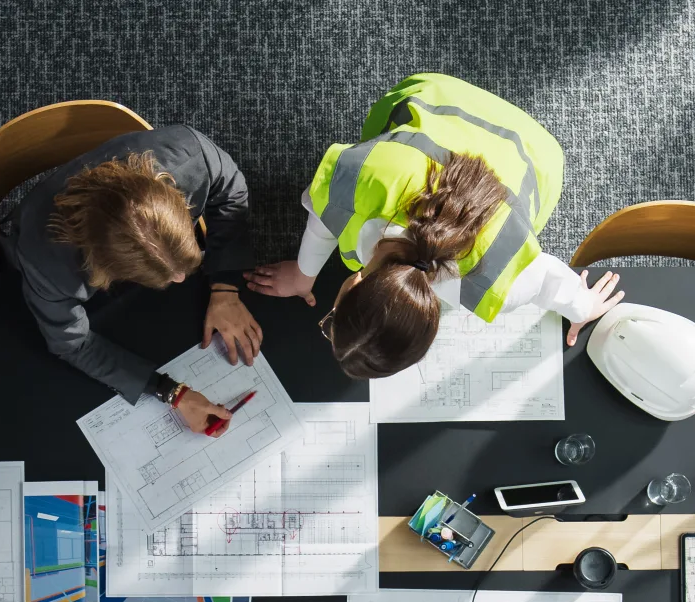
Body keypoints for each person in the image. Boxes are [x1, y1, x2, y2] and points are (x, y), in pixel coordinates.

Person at [246, 73, 624, 378]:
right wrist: (303, 274)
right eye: (332, 319)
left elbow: (549, 280)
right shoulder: (358, 179)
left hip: (530, 146)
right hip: (449, 103)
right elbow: (324, 208)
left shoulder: (505, 284)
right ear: (353, 286)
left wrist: (583, 307)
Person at [0, 125, 261, 435]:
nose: (180, 278)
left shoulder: (189, 155)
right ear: (104, 270)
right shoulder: (48, 267)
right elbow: (73, 344)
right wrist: (171, 392)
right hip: (32, 243)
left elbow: (231, 191)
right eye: (167, 276)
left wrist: (225, 287)